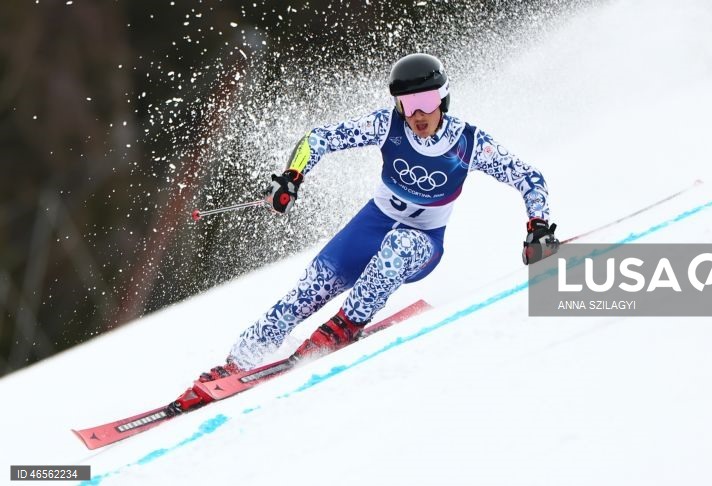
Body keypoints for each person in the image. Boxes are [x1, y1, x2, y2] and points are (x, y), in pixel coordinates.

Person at [181, 53, 559, 406]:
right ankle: (236, 364)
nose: (418, 114)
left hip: (422, 242)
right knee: (309, 290)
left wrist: (537, 226)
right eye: (408, 105)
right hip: (370, 226)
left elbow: (529, 177)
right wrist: (292, 177)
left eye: (426, 101)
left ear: (443, 98)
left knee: (398, 244)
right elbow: (319, 139)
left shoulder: (468, 143)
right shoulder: (387, 124)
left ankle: (346, 324)